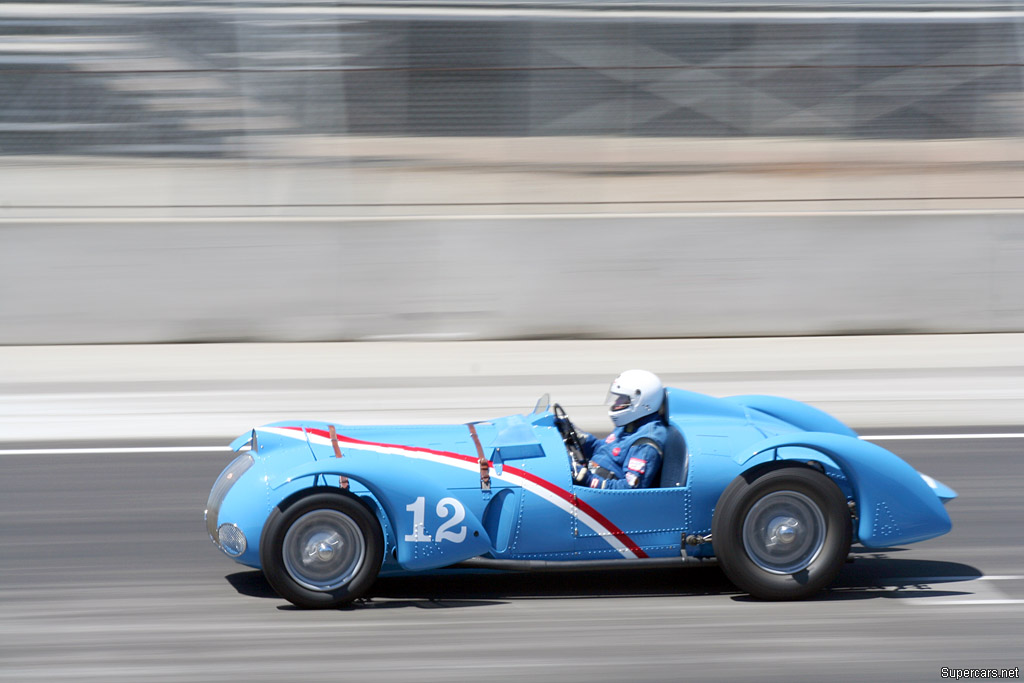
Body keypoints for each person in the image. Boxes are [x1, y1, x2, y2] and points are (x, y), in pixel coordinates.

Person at [571, 369, 667, 490]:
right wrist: (581, 439)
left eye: (622, 398)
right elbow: (606, 451)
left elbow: (630, 490)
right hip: (592, 474)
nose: (616, 402)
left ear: (640, 402)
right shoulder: (630, 425)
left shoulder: (646, 443)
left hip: (602, 497)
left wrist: (589, 480)